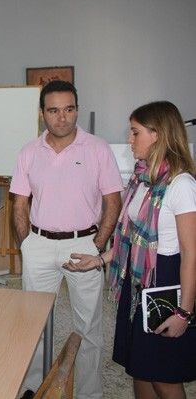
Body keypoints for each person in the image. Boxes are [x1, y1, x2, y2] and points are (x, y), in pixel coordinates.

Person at [64, 101, 196, 399]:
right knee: (140, 368)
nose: (129, 139)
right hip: (138, 282)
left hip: (165, 282)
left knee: (164, 376)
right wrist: (99, 260)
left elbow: (191, 255)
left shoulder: (181, 185)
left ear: (157, 135)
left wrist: (184, 313)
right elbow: (131, 239)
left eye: (135, 132)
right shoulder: (142, 179)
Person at [10, 80, 123, 399]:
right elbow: (19, 202)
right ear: (42, 114)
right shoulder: (29, 152)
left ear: (77, 110)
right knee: (34, 323)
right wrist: (26, 245)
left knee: (88, 326)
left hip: (84, 245)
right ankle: (33, 387)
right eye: (54, 111)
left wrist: (97, 246)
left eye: (69, 109)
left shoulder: (97, 148)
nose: (62, 118)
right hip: (39, 244)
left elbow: (113, 201)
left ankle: (88, 393)